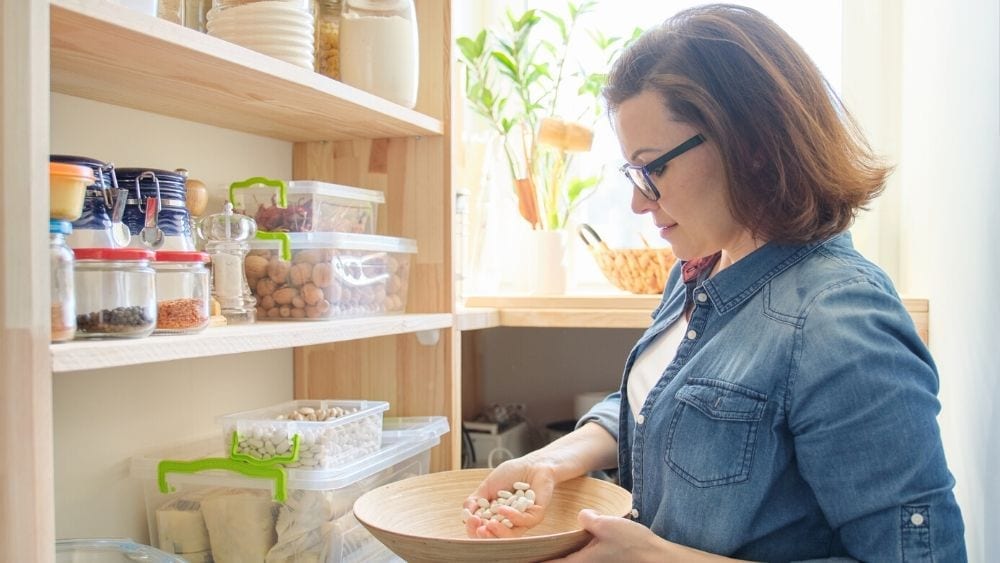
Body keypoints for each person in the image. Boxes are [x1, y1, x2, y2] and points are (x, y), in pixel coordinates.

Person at [463, 4, 967, 561]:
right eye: (632, 172)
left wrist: (654, 558)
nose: (637, 202)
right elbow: (666, 405)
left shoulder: (840, 324)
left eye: (653, 168)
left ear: (751, 146)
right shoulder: (700, 269)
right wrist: (554, 458)